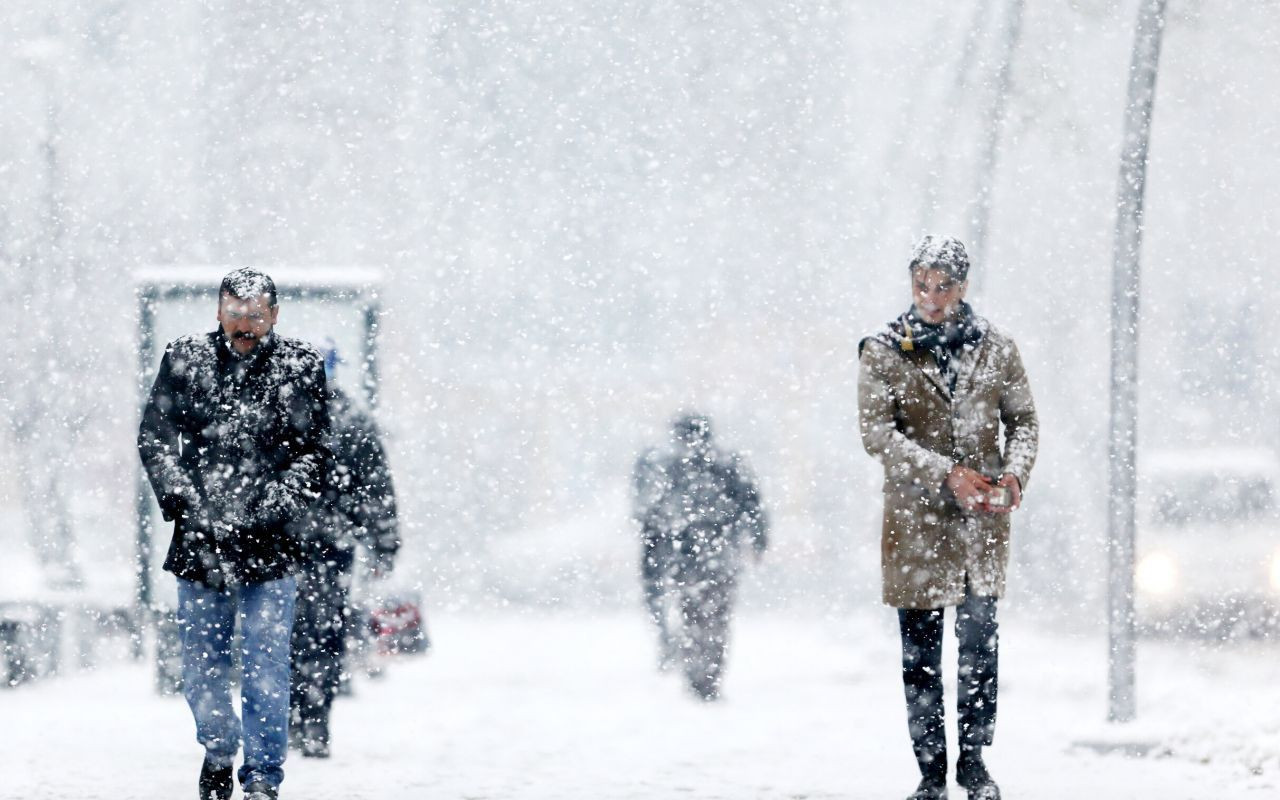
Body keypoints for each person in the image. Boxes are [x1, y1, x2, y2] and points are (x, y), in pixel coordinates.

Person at [138, 268, 331, 800]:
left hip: (273, 540)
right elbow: (154, 437)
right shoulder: (185, 358)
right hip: (201, 540)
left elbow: (315, 451)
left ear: (275, 313)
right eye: (235, 312)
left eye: (256, 314)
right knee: (202, 665)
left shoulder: (300, 365)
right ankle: (220, 747)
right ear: (218, 310)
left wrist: (274, 502)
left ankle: (264, 776)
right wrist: (181, 498)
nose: (245, 324)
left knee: (268, 662)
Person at [857, 235, 1038, 800]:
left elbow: (1025, 421)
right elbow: (877, 435)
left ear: (964, 286)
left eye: (944, 287)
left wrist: (1013, 474)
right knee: (921, 655)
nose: (931, 299)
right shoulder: (885, 350)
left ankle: (975, 763)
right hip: (914, 526)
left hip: (981, 524)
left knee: (980, 645)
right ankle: (931, 772)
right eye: (921, 285)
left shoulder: (997, 349)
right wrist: (944, 472)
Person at [288, 350, 399, 759]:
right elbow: (376, 488)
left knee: (280, 633)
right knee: (323, 632)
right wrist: (383, 543)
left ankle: (289, 717)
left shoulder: (281, 414)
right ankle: (315, 716)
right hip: (331, 546)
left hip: (282, 544)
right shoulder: (352, 420)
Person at [631, 412, 768, 700]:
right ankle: (709, 674)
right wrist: (757, 540)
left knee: (693, 613)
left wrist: (659, 548)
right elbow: (752, 504)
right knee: (716, 618)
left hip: (687, 557)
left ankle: (698, 673)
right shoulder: (727, 463)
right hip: (720, 554)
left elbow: (652, 513)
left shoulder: (670, 467)